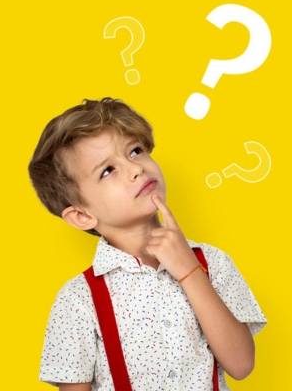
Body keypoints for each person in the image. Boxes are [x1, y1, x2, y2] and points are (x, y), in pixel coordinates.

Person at [29, 98, 267, 390]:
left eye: (135, 151)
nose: (135, 169)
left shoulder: (212, 262)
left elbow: (242, 365)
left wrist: (189, 271)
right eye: (108, 170)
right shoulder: (77, 300)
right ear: (81, 215)